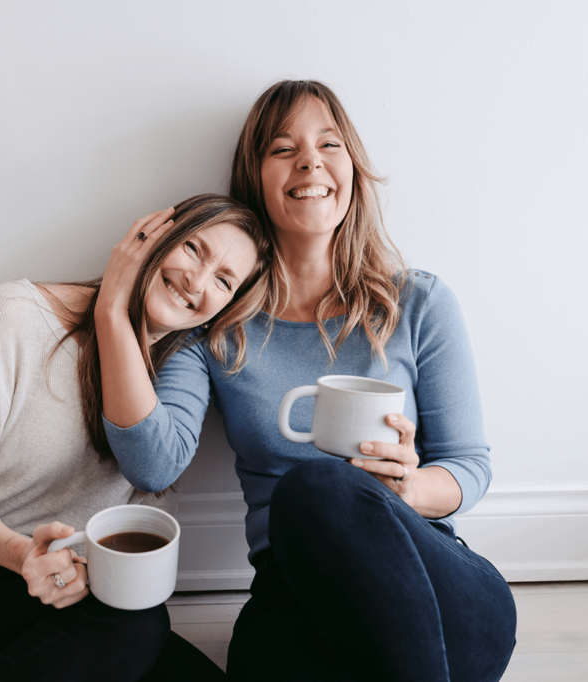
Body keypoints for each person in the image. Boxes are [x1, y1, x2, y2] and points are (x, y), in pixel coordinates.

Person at [100, 81, 517, 681]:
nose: (310, 161)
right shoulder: (218, 326)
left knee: (317, 488)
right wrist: (115, 312)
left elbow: (468, 464)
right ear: (256, 178)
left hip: (435, 581)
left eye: (329, 144)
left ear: (352, 169)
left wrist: (408, 489)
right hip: (291, 593)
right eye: (282, 149)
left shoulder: (418, 301)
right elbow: (154, 463)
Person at [0, 193, 273, 682]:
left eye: (224, 280)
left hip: (60, 592)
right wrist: (23, 554)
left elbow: (150, 493)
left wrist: (115, 317)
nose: (196, 281)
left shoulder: (181, 380)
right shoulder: (14, 316)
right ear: (151, 238)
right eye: (194, 249)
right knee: (137, 627)